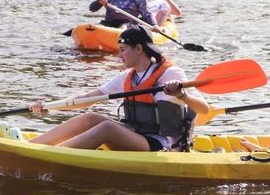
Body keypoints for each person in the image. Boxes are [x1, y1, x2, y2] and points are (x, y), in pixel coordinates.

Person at [29, 25, 209, 151]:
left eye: (123, 49)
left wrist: (182, 95)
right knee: (90, 118)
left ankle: (53, 154)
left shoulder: (170, 73)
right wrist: (49, 106)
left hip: (162, 143)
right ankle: (33, 146)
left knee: (107, 127)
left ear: (138, 49)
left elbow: (204, 109)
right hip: (136, 135)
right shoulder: (127, 77)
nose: (119, 54)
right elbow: (86, 99)